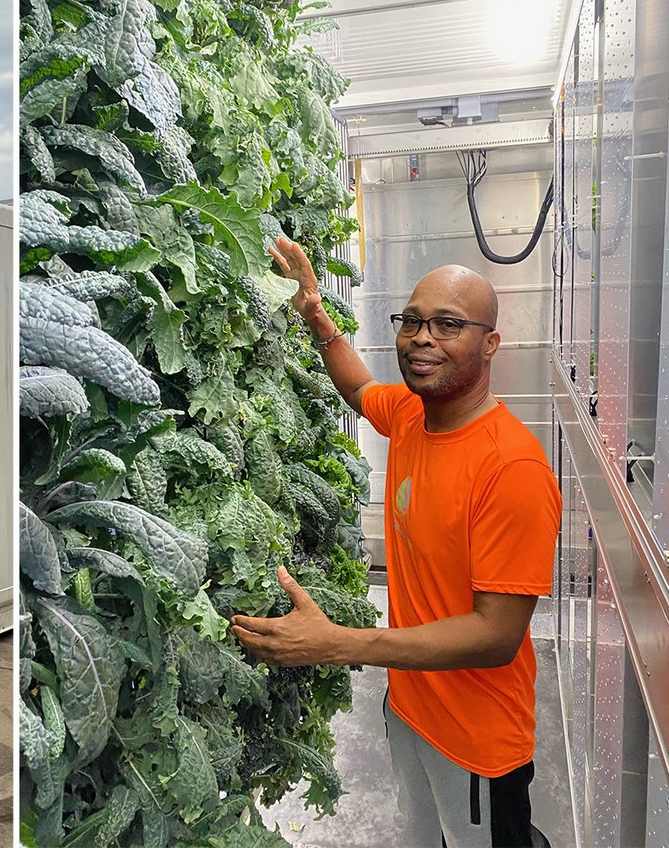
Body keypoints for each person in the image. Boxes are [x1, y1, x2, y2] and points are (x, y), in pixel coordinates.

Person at [231, 236, 560, 848]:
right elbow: (358, 389)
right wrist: (313, 311)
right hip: (409, 709)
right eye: (411, 321)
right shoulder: (413, 413)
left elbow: (496, 636)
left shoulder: (512, 467)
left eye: (447, 324)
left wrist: (337, 644)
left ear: (490, 343)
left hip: (476, 740)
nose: (421, 337)